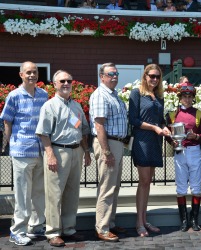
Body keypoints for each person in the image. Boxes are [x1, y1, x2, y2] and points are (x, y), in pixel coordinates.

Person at [36, 70, 91, 247]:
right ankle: (52, 232)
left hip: (76, 152)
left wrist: (86, 152)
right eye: (62, 81)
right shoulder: (49, 106)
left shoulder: (76, 106)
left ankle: (68, 229)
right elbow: (43, 134)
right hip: (58, 152)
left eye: (69, 80)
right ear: (55, 85)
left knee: (72, 193)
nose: (66, 84)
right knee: (54, 195)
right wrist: (50, 155)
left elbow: (83, 130)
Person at [0, 61, 48, 246]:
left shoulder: (43, 94)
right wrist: (7, 144)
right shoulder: (14, 96)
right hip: (22, 149)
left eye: (34, 72)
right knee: (22, 194)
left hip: (40, 150)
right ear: (21, 75)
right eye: (28, 72)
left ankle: (35, 227)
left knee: (38, 192)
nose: (32, 75)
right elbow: (7, 122)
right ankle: (17, 230)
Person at [129, 64, 171, 237]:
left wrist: (164, 127)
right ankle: (139, 222)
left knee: (147, 182)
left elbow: (160, 120)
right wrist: (154, 128)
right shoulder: (136, 93)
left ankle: (144, 220)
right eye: (151, 76)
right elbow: (133, 119)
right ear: (145, 76)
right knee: (144, 181)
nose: (154, 79)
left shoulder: (159, 96)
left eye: (158, 77)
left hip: (155, 141)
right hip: (142, 140)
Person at [89, 63, 128, 242]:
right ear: (101, 76)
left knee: (114, 186)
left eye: (116, 73)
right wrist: (106, 151)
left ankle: (110, 223)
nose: (114, 76)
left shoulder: (113, 95)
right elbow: (99, 125)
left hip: (117, 143)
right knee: (107, 187)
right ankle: (102, 228)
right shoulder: (100, 95)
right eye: (110, 73)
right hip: (108, 144)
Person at [166, 83, 201, 232]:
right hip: (180, 152)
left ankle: (194, 219)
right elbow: (168, 135)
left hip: (194, 150)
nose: (187, 99)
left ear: (193, 98)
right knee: (181, 187)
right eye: (185, 96)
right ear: (180, 97)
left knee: (196, 187)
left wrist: (195, 136)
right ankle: (184, 220)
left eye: (190, 97)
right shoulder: (172, 114)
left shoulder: (199, 114)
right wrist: (174, 142)